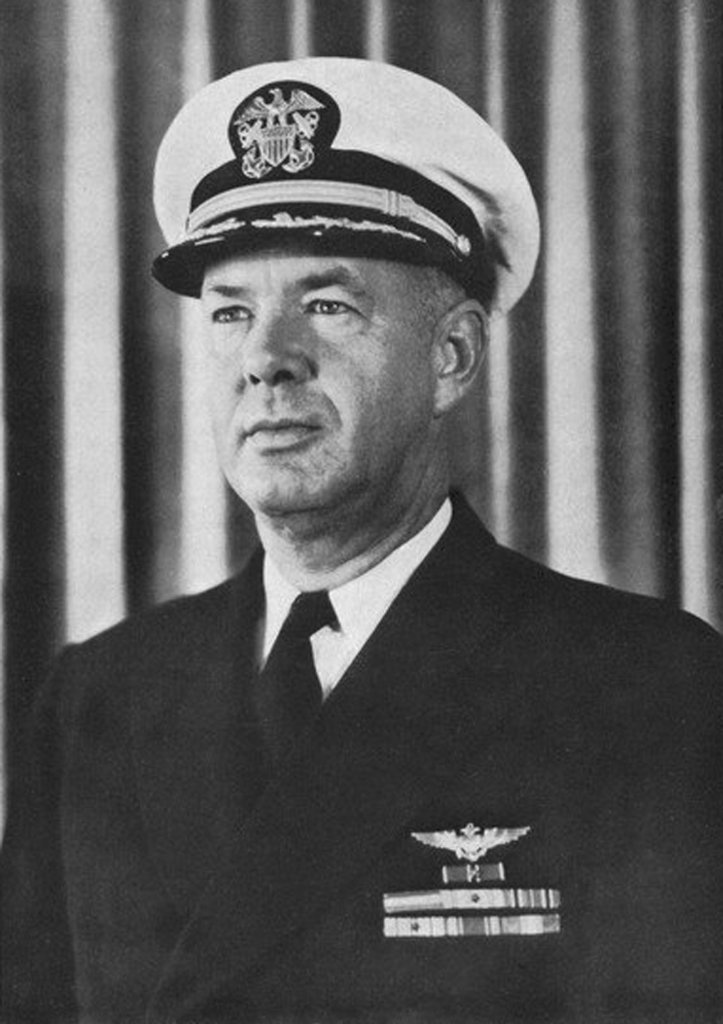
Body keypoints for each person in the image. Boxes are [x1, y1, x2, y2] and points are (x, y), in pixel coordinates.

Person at [1, 57, 721, 1024]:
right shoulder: (97, 701)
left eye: (328, 306)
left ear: (451, 355)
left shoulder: (644, 689)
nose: (266, 360)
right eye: (231, 312)